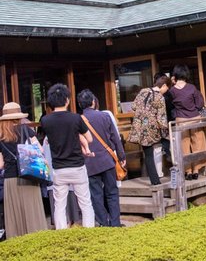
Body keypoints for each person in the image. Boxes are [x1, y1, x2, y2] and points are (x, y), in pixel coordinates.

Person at [40, 84, 95, 230]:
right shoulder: (75, 118)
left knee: (59, 204)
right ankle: (89, 231)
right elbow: (89, 139)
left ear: (51, 102)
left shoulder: (45, 121)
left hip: (58, 168)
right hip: (77, 166)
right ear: (67, 100)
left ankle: (61, 233)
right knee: (85, 202)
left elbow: (45, 140)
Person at [77, 89, 126, 227]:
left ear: (80, 104)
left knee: (96, 195)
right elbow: (115, 138)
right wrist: (121, 156)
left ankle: (104, 223)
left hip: (89, 163)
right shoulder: (104, 116)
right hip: (107, 161)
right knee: (112, 192)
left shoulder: (78, 120)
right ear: (93, 102)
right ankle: (116, 223)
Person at [0, 102, 48, 238]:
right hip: (29, 176)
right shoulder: (26, 130)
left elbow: (0, 164)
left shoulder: (1, 135)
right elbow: (41, 150)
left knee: (15, 215)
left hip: (10, 179)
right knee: (32, 212)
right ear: (19, 116)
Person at [128, 75, 171, 185]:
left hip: (139, 127)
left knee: (148, 154)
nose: (166, 91)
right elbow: (161, 118)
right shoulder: (159, 97)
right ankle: (167, 154)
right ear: (164, 85)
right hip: (152, 128)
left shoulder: (143, 91)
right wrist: (166, 128)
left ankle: (155, 180)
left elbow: (133, 106)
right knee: (165, 141)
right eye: (167, 88)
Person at [169, 64, 206, 180]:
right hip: (195, 119)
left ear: (175, 75)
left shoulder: (172, 91)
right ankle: (196, 170)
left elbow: (170, 106)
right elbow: (200, 104)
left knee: (183, 145)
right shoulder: (192, 88)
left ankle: (187, 171)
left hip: (181, 120)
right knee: (197, 143)